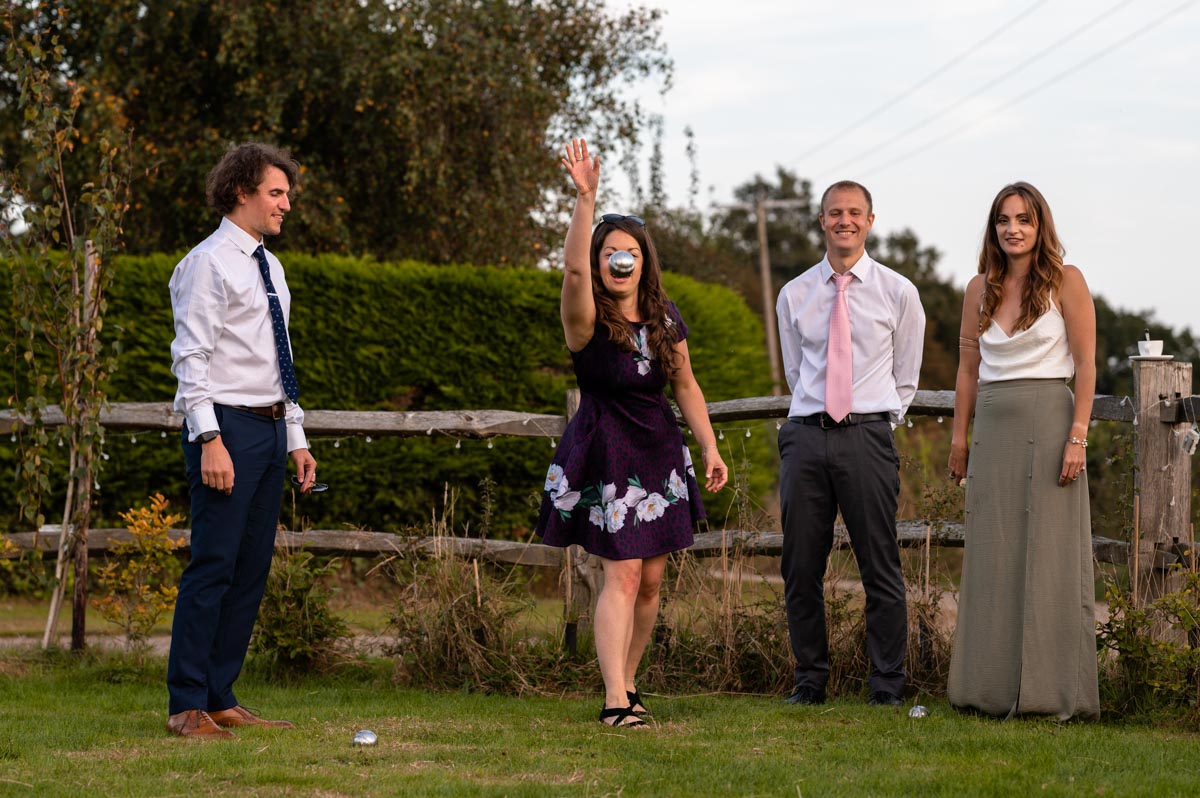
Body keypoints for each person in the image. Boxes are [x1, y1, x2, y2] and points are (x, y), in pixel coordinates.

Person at [536, 138, 728, 729]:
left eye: (630, 253)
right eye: (609, 253)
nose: (620, 261)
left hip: (658, 449)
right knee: (619, 573)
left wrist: (709, 444)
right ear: (597, 262)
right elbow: (570, 267)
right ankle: (614, 701)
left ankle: (629, 683)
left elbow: (686, 385)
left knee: (650, 582)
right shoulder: (586, 317)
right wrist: (585, 199)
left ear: (645, 261)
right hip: (606, 445)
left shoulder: (666, 317)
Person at [166, 143, 318, 738]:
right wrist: (208, 438)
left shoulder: (270, 266)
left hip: (270, 427)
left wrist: (296, 437)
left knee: (251, 569)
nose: (286, 205)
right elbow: (192, 358)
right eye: (276, 193)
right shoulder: (208, 263)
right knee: (213, 567)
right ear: (240, 193)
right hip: (224, 429)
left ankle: (220, 695)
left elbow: (280, 360)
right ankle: (185, 707)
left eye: (287, 194)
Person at [947, 181, 1099, 720]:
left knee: (1052, 558)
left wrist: (1078, 436)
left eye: (1024, 220)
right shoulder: (977, 289)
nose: (1013, 229)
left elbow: (1086, 365)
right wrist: (960, 438)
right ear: (993, 229)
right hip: (992, 425)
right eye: (1004, 220)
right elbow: (968, 370)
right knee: (994, 555)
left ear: (1041, 227)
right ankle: (986, 691)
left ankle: (1052, 694)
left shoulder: (1067, 281)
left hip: (1053, 424)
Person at [775, 180, 926, 707]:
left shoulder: (898, 292)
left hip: (866, 436)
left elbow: (906, 375)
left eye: (854, 213)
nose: (845, 221)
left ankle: (886, 684)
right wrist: (814, 419)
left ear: (870, 220)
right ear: (821, 221)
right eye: (834, 213)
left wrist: (877, 421)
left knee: (879, 564)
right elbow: (798, 371)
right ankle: (809, 681)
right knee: (800, 567)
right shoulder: (793, 293)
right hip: (805, 437)